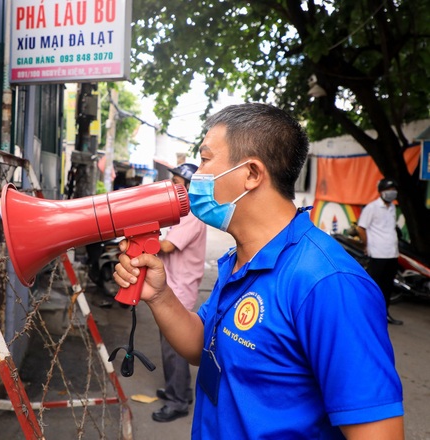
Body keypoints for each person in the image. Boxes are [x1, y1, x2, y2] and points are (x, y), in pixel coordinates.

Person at [114, 103, 404, 439]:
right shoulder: (241, 260)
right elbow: (201, 345)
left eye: (206, 160)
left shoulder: (328, 284)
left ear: (252, 174)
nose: (198, 175)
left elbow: (378, 433)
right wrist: (160, 295)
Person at [152, 163, 207, 423]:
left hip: (180, 289)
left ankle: (179, 401)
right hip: (172, 284)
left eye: (177, 182)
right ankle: (176, 390)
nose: (173, 186)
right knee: (169, 344)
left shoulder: (193, 214)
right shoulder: (180, 212)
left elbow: (167, 245)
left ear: (188, 186)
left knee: (175, 347)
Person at [357, 179, 403, 325]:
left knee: (388, 287)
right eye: (389, 189)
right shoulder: (372, 208)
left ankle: (384, 314)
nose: (392, 192)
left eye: (393, 189)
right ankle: (369, 316)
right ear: (381, 191)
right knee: (374, 287)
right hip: (377, 254)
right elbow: (361, 228)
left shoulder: (392, 208)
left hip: (392, 254)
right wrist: (367, 245)